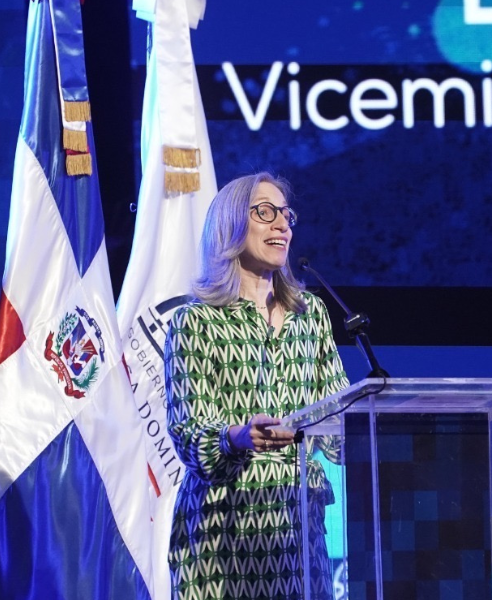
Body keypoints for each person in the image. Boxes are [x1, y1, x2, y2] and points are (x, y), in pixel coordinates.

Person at [165, 172, 350, 600]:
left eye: (286, 215)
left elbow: (337, 420)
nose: (282, 225)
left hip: (299, 532)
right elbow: (190, 435)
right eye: (265, 213)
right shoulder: (196, 321)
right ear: (230, 224)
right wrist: (238, 436)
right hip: (225, 540)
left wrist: (376, 426)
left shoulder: (311, 315)